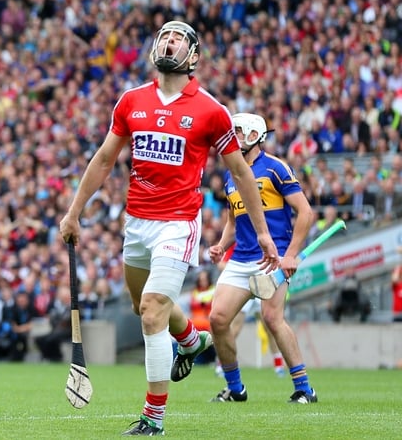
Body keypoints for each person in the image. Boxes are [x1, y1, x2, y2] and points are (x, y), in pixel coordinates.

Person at [59, 22, 280, 436]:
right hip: (136, 223)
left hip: (178, 224)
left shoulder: (211, 111)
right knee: (142, 303)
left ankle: (153, 418)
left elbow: (241, 173)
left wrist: (263, 231)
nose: (169, 41)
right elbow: (105, 159)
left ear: (193, 57)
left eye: (179, 38)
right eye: (164, 36)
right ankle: (192, 341)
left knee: (151, 311)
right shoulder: (131, 101)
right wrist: (74, 212)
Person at [207, 112, 318, 404]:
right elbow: (234, 219)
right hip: (241, 258)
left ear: (256, 135)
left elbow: (306, 213)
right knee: (217, 320)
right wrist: (221, 244)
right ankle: (235, 388)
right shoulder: (233, 174)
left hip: (273, 257)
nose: (235, 137)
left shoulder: (275, 168)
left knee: (272, 318)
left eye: (240, 132)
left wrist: (291, 255)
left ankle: (304, 388)